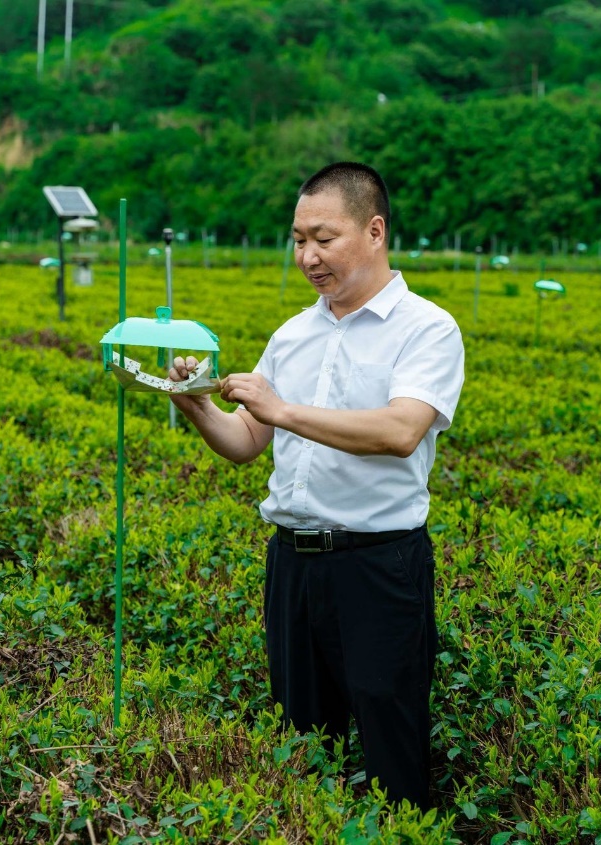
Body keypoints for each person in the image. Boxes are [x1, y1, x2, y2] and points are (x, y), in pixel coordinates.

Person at [167, 162, 465, 810]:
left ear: (375, 230)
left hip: (378, 568)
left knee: (392, 748)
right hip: (293, 565)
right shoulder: (293, 334)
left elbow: (400, 429)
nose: (307, 256)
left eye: (323, 238)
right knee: (301, 749)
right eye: (298, 239)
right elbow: (247, 441)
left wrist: (281, 410)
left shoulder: (427, 328)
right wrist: (197, 408)